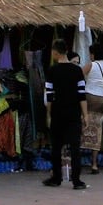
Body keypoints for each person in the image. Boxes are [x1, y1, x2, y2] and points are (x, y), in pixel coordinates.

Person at [42, 40, 88, 190]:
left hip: (58, 112)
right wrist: (85, 115)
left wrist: (49, 114)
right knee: (75, 148)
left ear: (55, 52)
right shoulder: (77, 70)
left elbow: (49, 95)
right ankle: (77, 180)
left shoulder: (52, 70)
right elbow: (82, 94)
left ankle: (56, 177)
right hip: (73, 112)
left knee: (56, 147)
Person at [81, 43, 103, 174]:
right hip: (101, 99)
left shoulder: (91, 65)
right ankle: (94, 164)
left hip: (88, 96)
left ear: (93, 54)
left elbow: (78, 76)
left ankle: (77, 159)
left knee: (82, 126)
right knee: (97, 129)